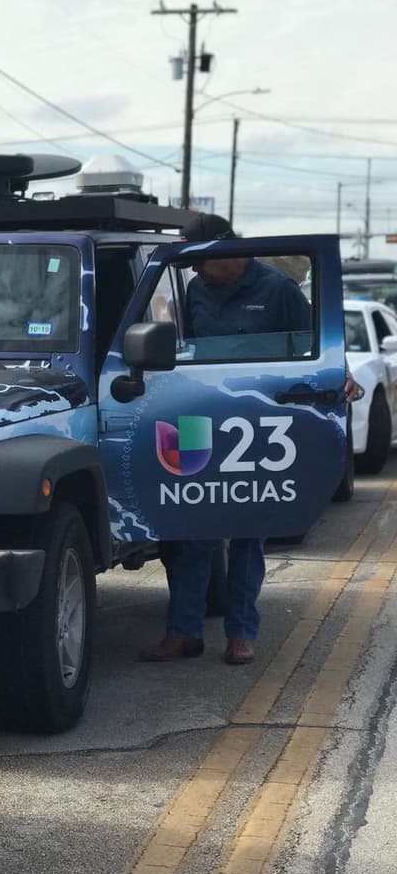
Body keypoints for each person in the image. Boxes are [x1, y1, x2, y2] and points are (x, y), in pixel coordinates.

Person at [140, 213, 359, 666]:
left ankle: (241, 633)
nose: (197, 272)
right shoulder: (196, 291)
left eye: (200, 262)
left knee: (247, 534)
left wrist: (344, 376)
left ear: (226, 251)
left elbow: (321, 345)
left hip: (257, 424)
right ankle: (184, 633)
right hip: (201, 419)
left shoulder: (278, 289)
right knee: (189, 534)